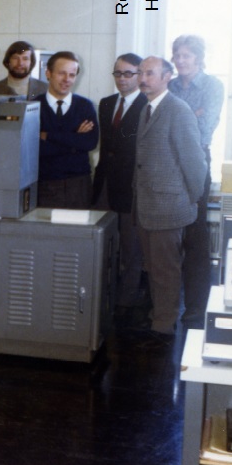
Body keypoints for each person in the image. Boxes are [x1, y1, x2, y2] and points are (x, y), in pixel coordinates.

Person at [134, 56, 207, 341]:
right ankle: (159, 317)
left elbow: (194, 160)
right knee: (153, 267)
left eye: (150, 73)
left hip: (169, 205)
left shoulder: (178, 109)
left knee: (166, 269)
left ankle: (163, 326)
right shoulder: (148, 108)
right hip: (147, 204)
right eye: (140, 72)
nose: (143, 78)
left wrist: (190, 198)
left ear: (167, 77)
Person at [168, 35, 225, 328]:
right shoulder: (170, 85)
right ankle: (168, 304)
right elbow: (162, 125)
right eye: (176, 55)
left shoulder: (213, 86)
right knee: (169, 237)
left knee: (196, 237)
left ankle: (195, 307)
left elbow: (204, 129)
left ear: (199, 58)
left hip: (197, 164)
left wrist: (182, 118)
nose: (180, 61)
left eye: (186, 55)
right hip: (166, 164)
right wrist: (191, 113)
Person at [92, 53, 148, 322]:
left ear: (139, 76)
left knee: (130, 247)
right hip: (104, 183)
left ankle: (126, 302)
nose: (122, 79)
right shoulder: (105, 104)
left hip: (131, 187)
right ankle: (103, 297)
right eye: (118, 73)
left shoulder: (148, 105)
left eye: (128, 74)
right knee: (102, 243)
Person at [35, 51, 98, 209]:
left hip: (78, 185)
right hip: (44, 185)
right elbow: (37, 148)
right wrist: (75, 139)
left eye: (72, 74)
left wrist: (48, 135)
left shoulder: (85, 106)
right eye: (61, 73)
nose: (67, 80)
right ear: (48, 73)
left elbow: (90, 143)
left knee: (76, 233)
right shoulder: (33, 106)